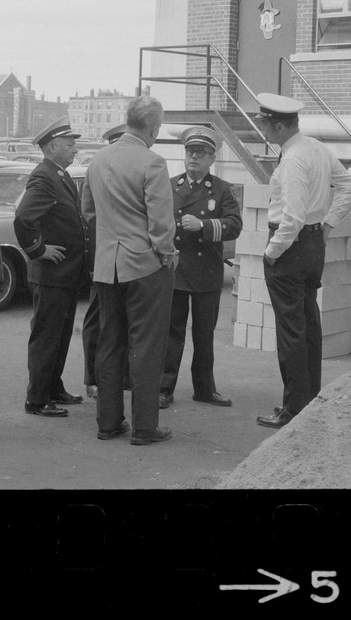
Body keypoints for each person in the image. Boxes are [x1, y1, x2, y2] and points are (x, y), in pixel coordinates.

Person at [252, 93, 351, 429]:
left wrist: (271, 253)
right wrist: (326, 225)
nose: (262, 129)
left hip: (291, 248)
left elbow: (293, 216)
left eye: (265, 124)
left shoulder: (294, 160)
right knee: (308, 324)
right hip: (311, 246)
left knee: (291, 331)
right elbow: (348, 187)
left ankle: (294, 408)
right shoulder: (314, 147)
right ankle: (309, 400)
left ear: (280, 126)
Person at [81, 97, 178, 445]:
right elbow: (162, 224)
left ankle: (108, 423)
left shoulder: (98, 159)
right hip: (145, 266)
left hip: (107, 267)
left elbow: (89, 212)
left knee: (110, 343)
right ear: (152, 128)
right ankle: (144, 427)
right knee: (147, 347)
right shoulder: (152, 162)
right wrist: (166, 255)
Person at [159, 127, 243, 410]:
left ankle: (205, 389)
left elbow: (234, 226)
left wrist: (204, 225)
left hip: (206, 271)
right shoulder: (169, 185)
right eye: (190, 152)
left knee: (204, 335)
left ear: (212, 159)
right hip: (176, 270)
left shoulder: (222, 190)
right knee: (172, 333)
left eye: (201, 153)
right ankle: (163, 388)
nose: (194, 157)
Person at [14, 117, 90, 418]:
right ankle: (37, 398)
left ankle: (53, 386)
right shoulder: (44, 176)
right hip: (52, 273)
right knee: (47, 335)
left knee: (59, 334)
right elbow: (23, 218)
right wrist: (37, 249)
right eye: (69, 143)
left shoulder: (60, 174)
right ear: (52, 146)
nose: (75, 148)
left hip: (66, 273)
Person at [82, 123, 127, 399]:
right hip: (109, 258)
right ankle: (94, 378)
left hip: (123, 259)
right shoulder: (99, 171)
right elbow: (89, 212)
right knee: (100, 322)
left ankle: (120, 378)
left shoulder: (140, 169)